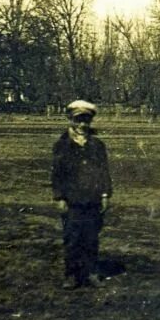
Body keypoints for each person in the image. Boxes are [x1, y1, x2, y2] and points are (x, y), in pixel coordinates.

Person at [52, 99, 112, 289]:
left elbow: (104, 171)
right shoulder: (62, 145)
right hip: (72, 200)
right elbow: (57, 174)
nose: (82, 125)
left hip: (93, 198)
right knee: (72, 238)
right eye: (78, 120)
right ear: (70, 120)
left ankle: (91, 273)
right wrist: (60, 197)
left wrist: (105, 195)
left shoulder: (97, 145)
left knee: (91, 237)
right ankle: (72, 274)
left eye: (86, 120)